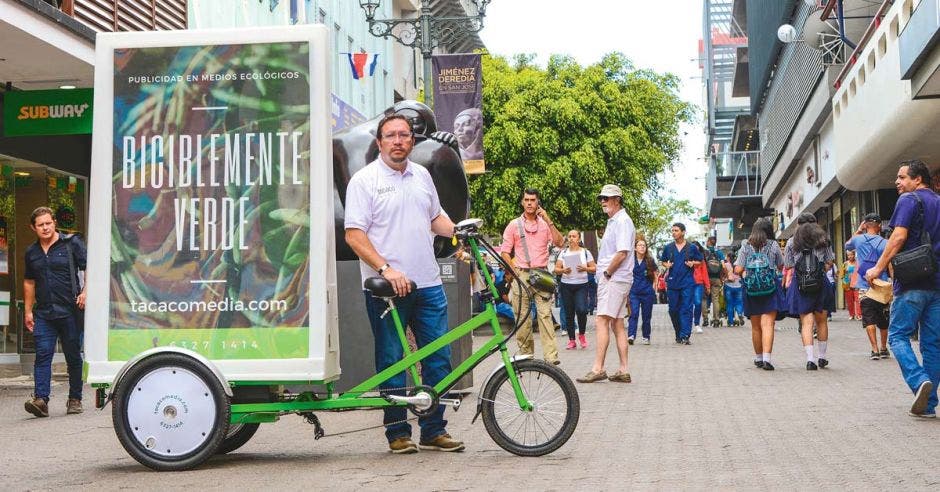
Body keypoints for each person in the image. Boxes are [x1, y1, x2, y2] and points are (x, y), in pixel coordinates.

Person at [344, 114, 464, 454]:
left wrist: (458, 230)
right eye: (391, 135)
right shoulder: (364, 181)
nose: (398, 141)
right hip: (387, 290)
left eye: (404, 135)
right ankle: (397, 433)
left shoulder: (422, 175)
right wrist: (386, 269)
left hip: (428, 284)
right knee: (393, 360)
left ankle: (433, 429)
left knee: (438, 358)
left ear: (412, 141)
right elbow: (354, 235)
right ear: (379, 142)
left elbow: (435, 217)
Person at [865, 160, 940, 418]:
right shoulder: (938, 202)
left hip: (911, 282)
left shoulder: (909, 200)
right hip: (937, 284)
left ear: (917, 179)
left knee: (897, 337)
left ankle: (919, 382)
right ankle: (928, 406)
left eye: (902, 177)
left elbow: (898, 237)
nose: (897, 182)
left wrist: (877, 268)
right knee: (932, 345)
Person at [23, 207, 87, 418]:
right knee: (42, 355)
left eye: (48, 223)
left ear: (54, 222)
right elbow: (29, 282)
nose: (45, 227)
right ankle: (41, 400)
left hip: (70, 310)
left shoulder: (71, 244)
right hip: (44, 313)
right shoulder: (31, 252)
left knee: (73, 357)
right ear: (33, 228)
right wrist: (28, 311)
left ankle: (75, 398)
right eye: (40, 225)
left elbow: (91, 267)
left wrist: (86, 291)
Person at [576, 184, 636, 383]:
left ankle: (598, 368)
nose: (603, 201)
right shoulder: (615, 221)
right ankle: (623, 369)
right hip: (615, 278)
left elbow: (622, 252)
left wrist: (607, 273)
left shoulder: (622, 221)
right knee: (617, 323)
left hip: (614, 278)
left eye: (607, 198)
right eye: (601, 198)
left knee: (601, 320)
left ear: (617, 200)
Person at [500, 188, 564, 365]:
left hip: (542, 274)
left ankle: (551, 357)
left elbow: (560, 242)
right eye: (526, 200)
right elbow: (505, 252)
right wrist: (514, 271)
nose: (529, 203)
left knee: (545, 315)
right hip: (521, 273)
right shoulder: (514, 224)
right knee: (522, 317)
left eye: (533, 200)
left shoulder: (544, 224)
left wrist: (549, 220)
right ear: (522, 202)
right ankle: (526, 354)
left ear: (538, 203)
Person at [784, 214, 835, 371]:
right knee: (822, 321)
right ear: (816, 223)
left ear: (798, 224)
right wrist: (819, 270)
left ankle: (810, 359)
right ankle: (822, 357)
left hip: (801, 285)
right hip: (821, 284)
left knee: (806, 322)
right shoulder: (823, 240)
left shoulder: (792, 242)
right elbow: (829, 261)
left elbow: (788, 264)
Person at [735, 218, 785, 370]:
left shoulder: (746, 245)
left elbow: (737, 269)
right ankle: (767, 359)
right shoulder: (773, 245)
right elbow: (781, 265)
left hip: (751, 289)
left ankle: (758, 358)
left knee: (756, 326)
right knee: (768, 324)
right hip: (770, 288)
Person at [846, 213, 890, 360]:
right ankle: (884, 348)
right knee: (883, 318)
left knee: (869, 317)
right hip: (882, 285)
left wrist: (859, 230)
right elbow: (890, 263)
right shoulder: (885, 242)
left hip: (864, 285)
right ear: (879, 226)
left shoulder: (858, 240)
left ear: (865, 225)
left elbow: (847, 245)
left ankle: (874, 350)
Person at [659, 223, 702, 344]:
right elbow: (662, 261)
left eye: (676, 230)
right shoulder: (668, 247)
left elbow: (700, 261)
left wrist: (693, 263)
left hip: (687, 282)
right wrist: (666, 265)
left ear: (683, 232)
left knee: (687, 309)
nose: (673, 232)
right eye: (672, 230)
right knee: (673, 309)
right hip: (672, 283)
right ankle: (678, 332)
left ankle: (685, 335)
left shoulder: (692, 247)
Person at [554, 230, 596, 350]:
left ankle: (581, 334)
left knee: (582, 310)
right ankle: (572, 340)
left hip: (581, 285)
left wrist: (585, 268)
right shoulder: (563, 253)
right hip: (566, 285)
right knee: (569, 313)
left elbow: (594, 268)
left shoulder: (585, 252)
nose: (571, 238)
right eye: (570, 236)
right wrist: (563, 270)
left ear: (579, 239)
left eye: (574, 236)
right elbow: (556, 269)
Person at [628, 238, 657, 345]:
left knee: (646, 316)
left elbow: (655, 275)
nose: (642, 247)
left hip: (647, 292)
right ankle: (631, 335)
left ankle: (646, 336)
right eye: (639, 245)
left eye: (644, 246)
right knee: (634, 313)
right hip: (634, 292)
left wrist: (654, 288)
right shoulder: (630, 260)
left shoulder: (649, 260)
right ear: (635, 248)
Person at [703, 236, 726, 327]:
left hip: (706, 278)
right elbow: (723, 266)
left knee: (704, 298)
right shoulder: (719, 252)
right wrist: (723, 277)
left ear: (708, 242)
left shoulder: (705, 252)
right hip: (716, 279)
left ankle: (705, 319)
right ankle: (716, 320)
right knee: (715, 299)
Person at [691, 241, 711, 333]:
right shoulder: (686, 258)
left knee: (698, 303)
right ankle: (687, 323)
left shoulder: (701, 259)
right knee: (687, 304)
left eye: (697, 247)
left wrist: (707, 285)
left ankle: (697, 324)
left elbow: (705, 273)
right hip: (687, 283)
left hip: (699, 283)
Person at [723, 252, 744, 326]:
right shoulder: (738, 265)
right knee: (738, 302)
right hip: (738, 286)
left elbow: (722, 273)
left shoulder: (726, 265)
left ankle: (731, 322)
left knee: (730, 304)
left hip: (729, 286)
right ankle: (740, 313)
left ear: (728, 257)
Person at [839, 250, 861, 321]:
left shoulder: (858, 263)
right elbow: (841, 274)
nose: (850, 256)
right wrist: (843, 281)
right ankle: (851, 314)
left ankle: (859, 315)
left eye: (851, 255)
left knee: (858, 299)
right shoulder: (845, 264)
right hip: (847, 284)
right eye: (848, 255)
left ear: (854, 255)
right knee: (849, 301)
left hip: (856, 283)